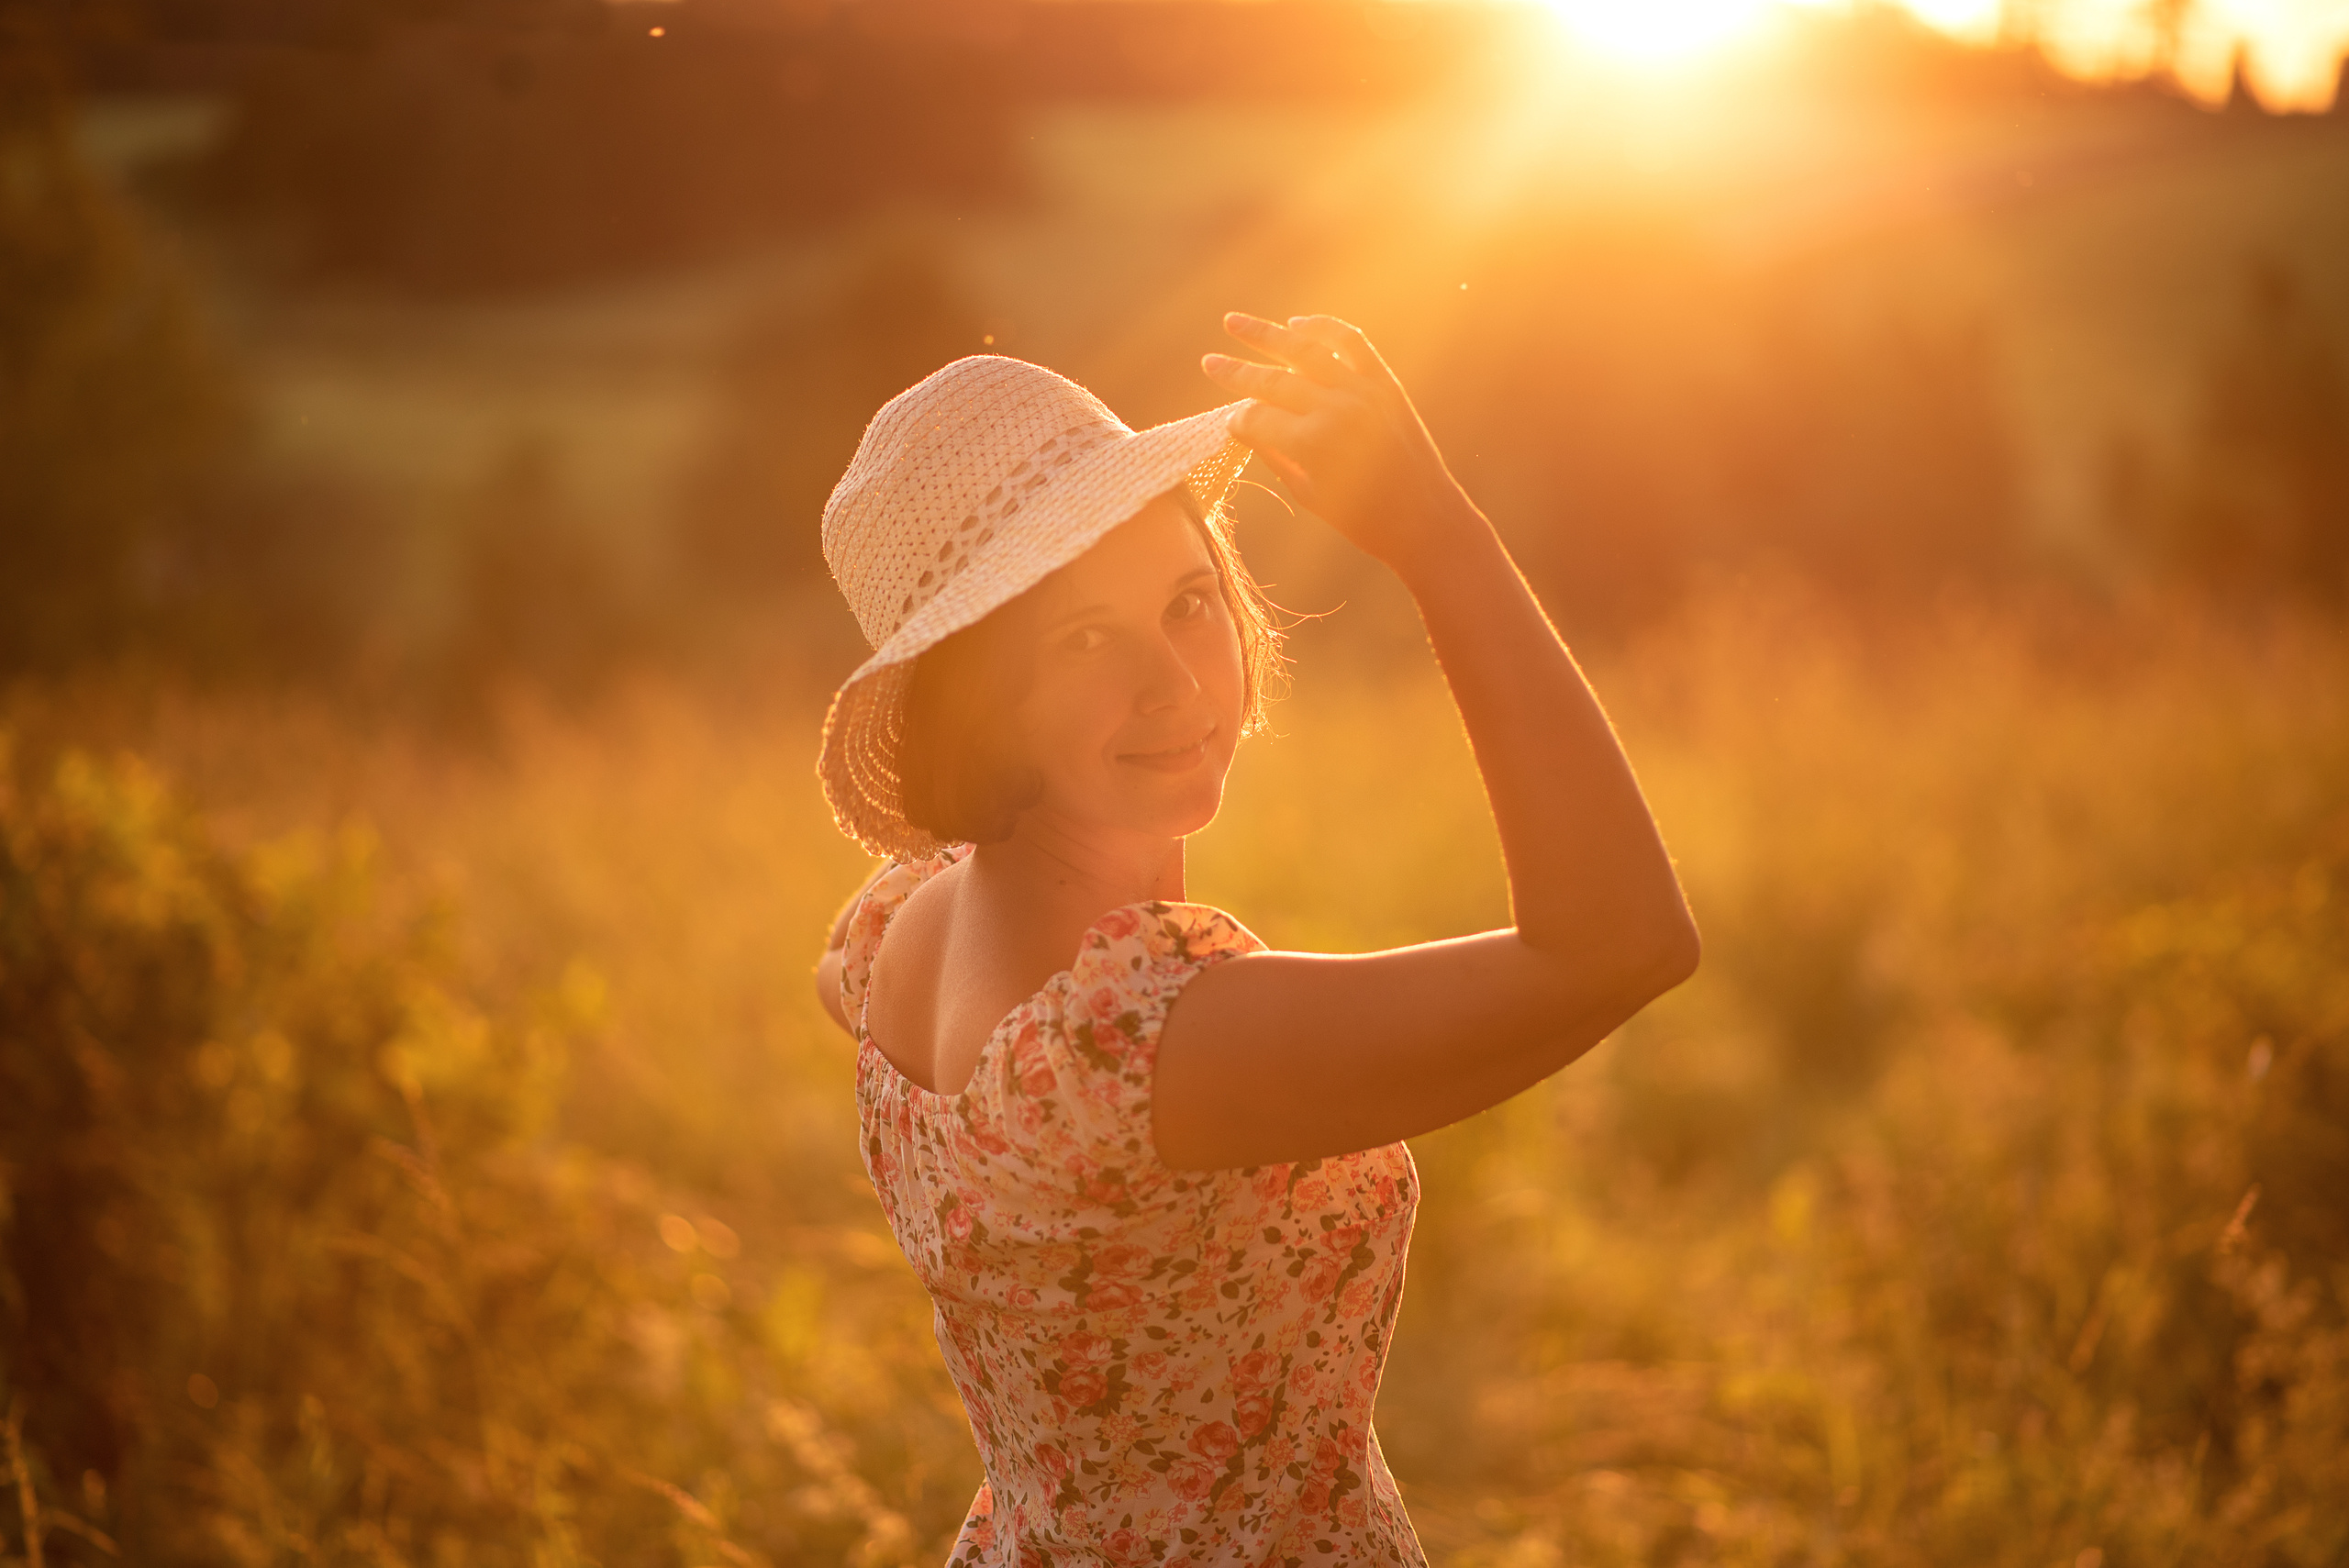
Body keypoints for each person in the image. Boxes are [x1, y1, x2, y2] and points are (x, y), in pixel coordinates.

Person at [811, 313, 1698, 1567]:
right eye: (1081, 639)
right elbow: (1622, 943)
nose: (1175, 681)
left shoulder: (902, 931)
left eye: (1188, 601)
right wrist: (1441, 539)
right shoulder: (1137, 1046)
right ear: (973, 709)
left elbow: (837, 978)